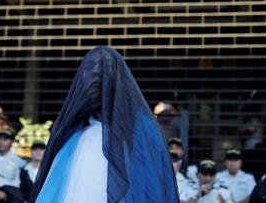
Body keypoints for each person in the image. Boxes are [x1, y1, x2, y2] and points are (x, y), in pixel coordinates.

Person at [29, 47, 178, 203]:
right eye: (90, 74)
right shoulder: (76, 136)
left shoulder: (139, 128)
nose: (94, 80)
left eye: (100, 74)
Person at [0, 129, 26, 203]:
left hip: (8, 196)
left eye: (5, 139)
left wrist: (6, 192)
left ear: (12, 142)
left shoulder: (19, 161)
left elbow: (18, 183)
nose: (1, 142)